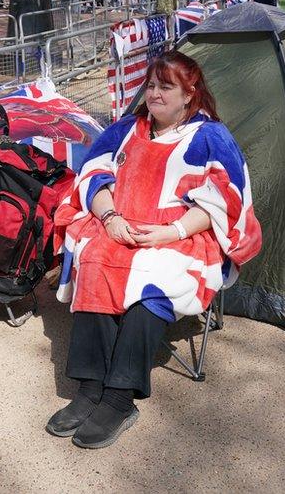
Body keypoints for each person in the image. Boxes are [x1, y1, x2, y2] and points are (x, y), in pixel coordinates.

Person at [47, 51, 262, 449]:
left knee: (150, 279)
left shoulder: (211, 136)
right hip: (120, 222)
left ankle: (119, 398)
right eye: (151, 85)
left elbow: (226, 199)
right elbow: (93, 174)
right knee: (95, 260)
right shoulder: (127, 129)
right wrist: (110, 218)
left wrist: (171, 232)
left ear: (189, 94)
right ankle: (91, 388)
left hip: (180, 235)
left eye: (166, 87)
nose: (155, 94)